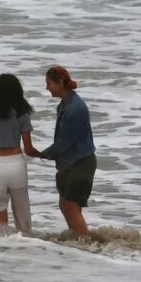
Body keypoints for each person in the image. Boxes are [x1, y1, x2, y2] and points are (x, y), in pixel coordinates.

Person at [0, 73, 41, 233]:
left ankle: (4, 252)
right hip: (16, 164)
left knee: (0, 222)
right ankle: (27, 249)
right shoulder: (22, 115)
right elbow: (28, 147)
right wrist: (45, 155)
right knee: (23, 218)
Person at [38, 65, 97, 239]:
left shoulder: (75, 108)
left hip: (81, 162)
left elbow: (65, 142)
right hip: (71, 162)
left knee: (71, 207)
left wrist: (43, 154)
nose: (47, 87)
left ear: (60, 82)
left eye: (49, 83)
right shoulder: (66, 104)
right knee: (65, 205)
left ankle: (85, 243)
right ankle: (79, 241)